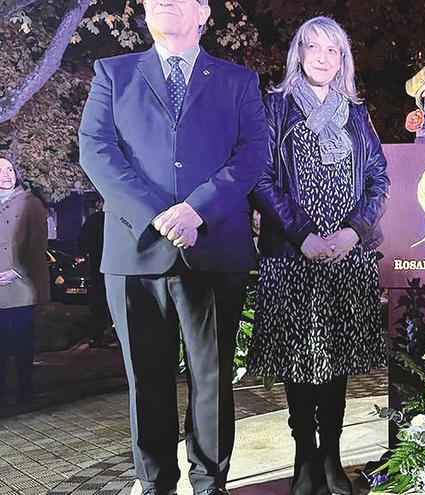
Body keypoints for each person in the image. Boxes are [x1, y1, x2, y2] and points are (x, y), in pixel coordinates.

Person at [78, 0, 267, 492]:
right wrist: (156, 214)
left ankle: (210, 484)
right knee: (147, 380)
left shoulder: (238, 81)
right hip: (135, 250)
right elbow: (96, 149)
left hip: (214, 248)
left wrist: (197, 209)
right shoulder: (112, 73)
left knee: (213, 379)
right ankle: (155, 483)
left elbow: (252, 155)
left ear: (204, 11)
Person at [247, 16, 389, 495]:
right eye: (314, 49)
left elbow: (378, 180)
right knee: (300, 361)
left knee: (337, 360)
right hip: (292, 255)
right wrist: (303, 234)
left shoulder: (356, 113)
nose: (323, 58)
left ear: (343, 59)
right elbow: (261, 179)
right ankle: (304, 457)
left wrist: (354, 231)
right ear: (299, 54)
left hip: (346, 256)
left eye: (334, 50)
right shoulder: (276, 107)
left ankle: (332, 455)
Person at [0, 155, 49, 404]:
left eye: (9, 169)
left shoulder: (31, 203)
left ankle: (25, 387)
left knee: (22, 339)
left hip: (21, 286)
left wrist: (16, 270)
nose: (5, 175)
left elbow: (38, 243)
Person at [79, 197, 111, 347]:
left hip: (98, 266)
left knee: (98, 303)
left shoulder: (93, 220)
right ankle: (110, 333)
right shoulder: (113, 219)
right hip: (110, 266)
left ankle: (97, 336)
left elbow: (83, 241)